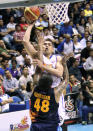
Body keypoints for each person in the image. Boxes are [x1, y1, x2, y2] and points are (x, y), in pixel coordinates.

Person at [30, 60, 69, 131]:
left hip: (36, 125)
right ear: (51, 84)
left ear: (39, 82)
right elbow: (65, 81)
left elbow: (37, 74)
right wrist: (64, 65)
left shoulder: (34, 89)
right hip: (50, 126)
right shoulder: (55, 92)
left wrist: (39, 65)